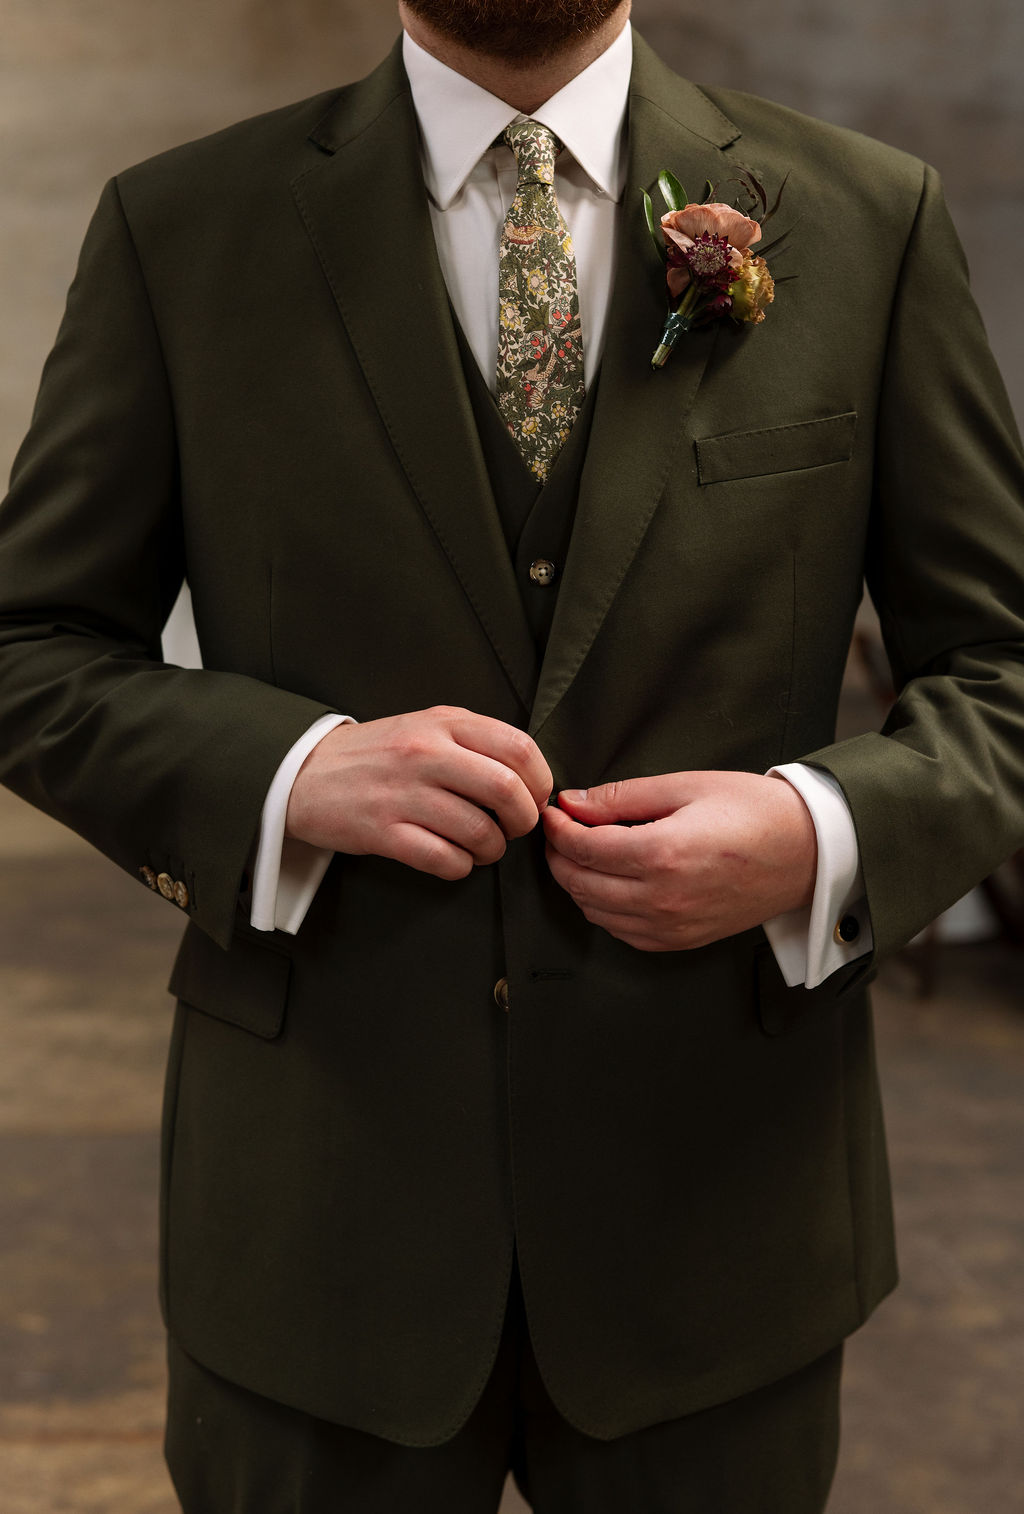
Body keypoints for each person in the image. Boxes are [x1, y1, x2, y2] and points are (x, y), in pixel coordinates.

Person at [1, 0, 1022, 1508]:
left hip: (722, 1231)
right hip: (315, 1240)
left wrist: (819, 831)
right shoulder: (181, 230)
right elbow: (32, 647)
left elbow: (1001, 666)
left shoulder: (872, 219)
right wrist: (288, 773)